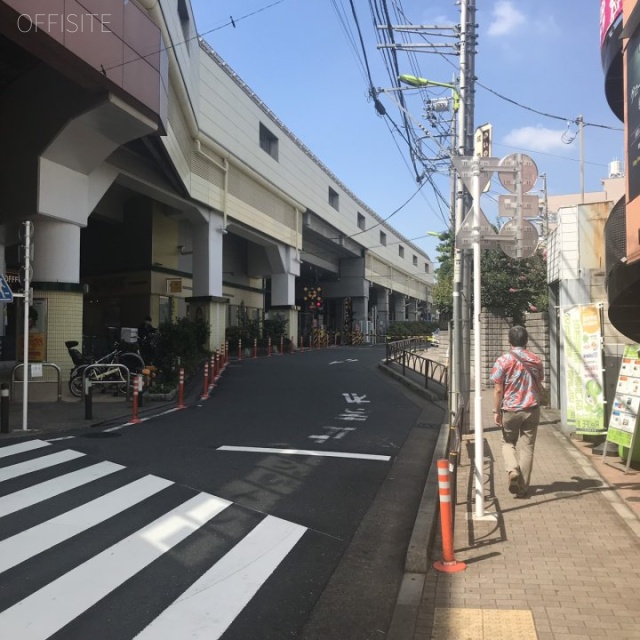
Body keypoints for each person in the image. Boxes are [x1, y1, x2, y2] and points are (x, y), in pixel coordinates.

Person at [490, 325, 544, 498]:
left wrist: (496, 411)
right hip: (532, 408)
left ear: (509, 341)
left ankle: (512, 470)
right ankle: (522, 488)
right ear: (527, 340)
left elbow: (498, 388)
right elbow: (540, 380)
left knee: (507, 443)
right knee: (528, 448)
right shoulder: (536, 359)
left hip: (511, 409)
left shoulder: (503, 360)